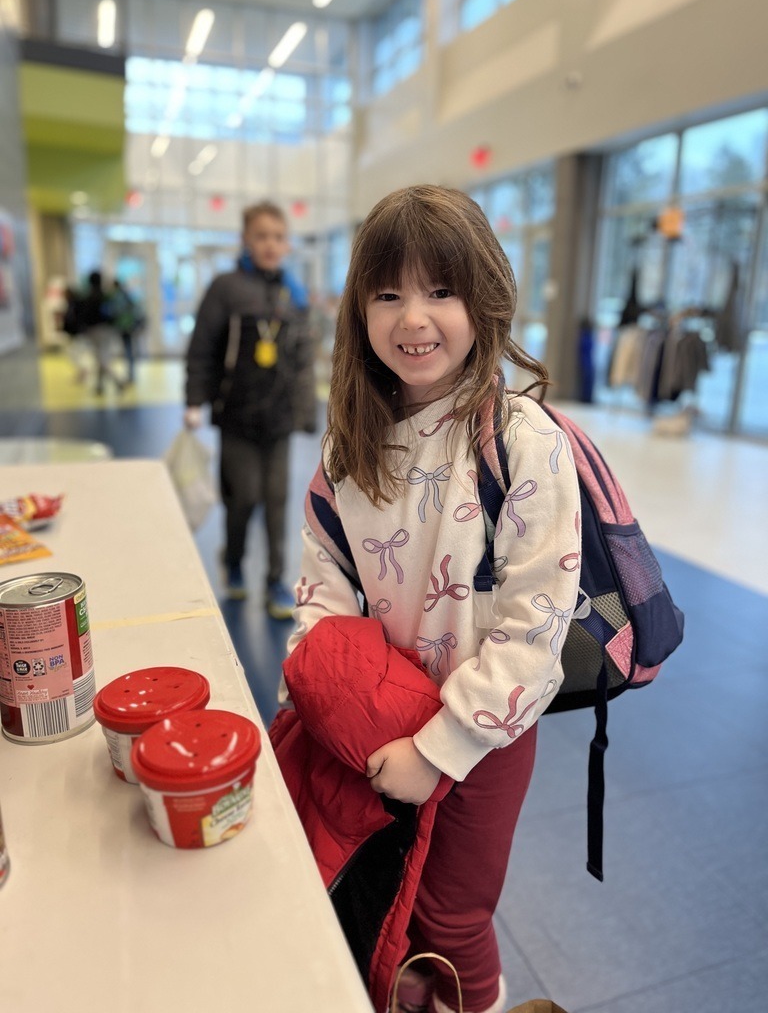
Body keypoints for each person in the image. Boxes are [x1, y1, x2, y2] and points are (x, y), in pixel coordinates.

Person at [278, 185, 581, 1013]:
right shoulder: (351, 443)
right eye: (389, 294)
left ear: (483, 296)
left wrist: (442, 746)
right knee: (374, 905)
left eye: (440, 290)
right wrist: (326, 707)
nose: (414, 317)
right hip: (368, 731)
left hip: (481, 738)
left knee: (450, 918)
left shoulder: (523, 441)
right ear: (360, 313)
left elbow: (535, 626)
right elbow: (321, 595)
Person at [184, 201, 317, 615]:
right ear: (245, 240)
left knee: (277, 499)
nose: (270, 244)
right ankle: (234, 562)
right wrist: (194, 400)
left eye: (278, 237)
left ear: (287, 243)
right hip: (237, 416)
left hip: (277, 419)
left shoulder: (292, 294)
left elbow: (302, 358)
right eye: (261, 236)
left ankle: (276, 579)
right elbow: (202, 347)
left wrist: (306, 411)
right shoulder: (225, 288)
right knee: (243, 497)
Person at [81, 270, 125, 396]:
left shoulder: (89, 297)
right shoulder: (106, 296)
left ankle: (118, 380)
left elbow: (85, 317)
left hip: (95, 331)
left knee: (101, 358)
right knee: (101, 357)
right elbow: (113, 314)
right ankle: (99, 385)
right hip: (107, 330)